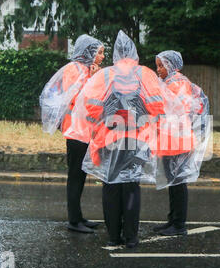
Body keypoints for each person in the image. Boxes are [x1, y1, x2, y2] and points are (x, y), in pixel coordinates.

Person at [65, 30, 168, 248]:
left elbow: (90, 107)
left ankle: (114, 235)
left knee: (110, 184)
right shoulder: (146, 74)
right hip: (136, 139)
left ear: (115, 55)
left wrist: (107, 118)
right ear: (134, 53)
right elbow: (159, 106)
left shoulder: (104, 75)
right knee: (131, 185)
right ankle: (131, 237)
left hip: (108, 138)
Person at [40, 34, 104, 233]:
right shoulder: (74, 69)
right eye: (99, 52)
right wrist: (94, 79)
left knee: (81, 175)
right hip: (76, 132)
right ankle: (74, 221)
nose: (101, 57)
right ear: (89, 52)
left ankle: (78, 217)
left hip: (84, 132)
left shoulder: (85, 69)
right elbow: (78, 98)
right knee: (75, 176)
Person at [153, 50, 210, 236]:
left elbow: (170, 107)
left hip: (177, 140)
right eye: (157, 65)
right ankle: (173, 220)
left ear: (171, 65)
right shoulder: (170, 82)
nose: (158, 69)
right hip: (173, 139)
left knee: (178, 182)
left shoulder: (176, 83)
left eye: (161, 65)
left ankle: (179, 225)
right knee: (174, 182)